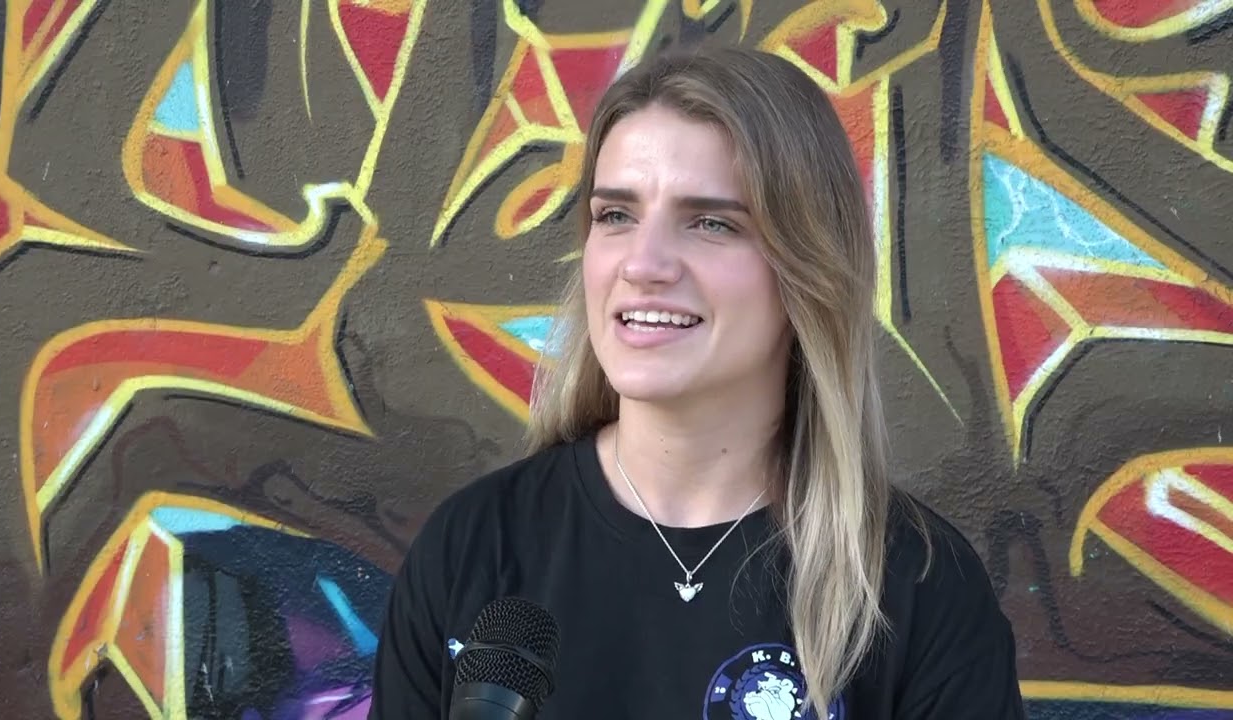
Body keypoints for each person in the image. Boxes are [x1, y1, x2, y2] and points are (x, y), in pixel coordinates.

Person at [370, 45, 1025, 719]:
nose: (643, 263)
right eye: (615, 215)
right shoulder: (473, 549)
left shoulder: (917, 587)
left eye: (712, 223)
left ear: (809, 270)